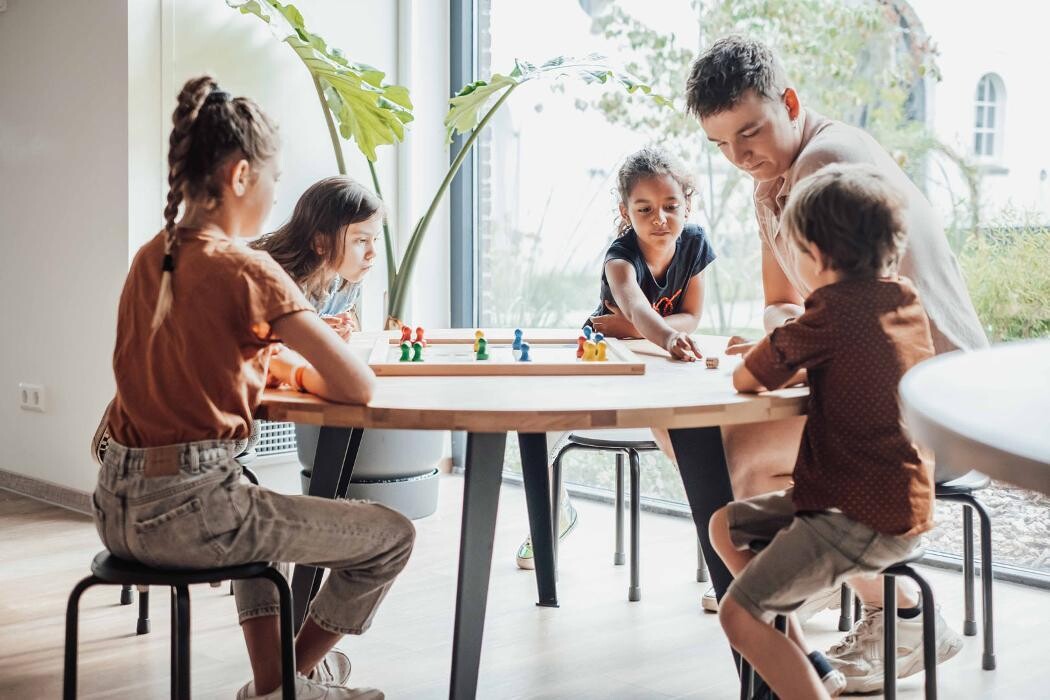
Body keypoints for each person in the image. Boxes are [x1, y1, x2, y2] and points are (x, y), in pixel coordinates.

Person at [91, 75, 414, 699]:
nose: (274, 196)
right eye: (272, 179)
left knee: (255, 504)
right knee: (392, 536)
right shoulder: (249, 269)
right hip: (192, 513)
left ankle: (275, 682)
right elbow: (359, 386)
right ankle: (286, 686)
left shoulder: (150, 256)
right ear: (241, 177)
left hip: (114, 506)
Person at [684, 35, 981, 686]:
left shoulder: (826, 168)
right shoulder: (774, 178)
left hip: (938, 415)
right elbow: (785, 301)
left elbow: (821, 316)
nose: (739, 158)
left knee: (730, 450)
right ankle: (817, 599)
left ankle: (885, 615)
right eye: (721, 146)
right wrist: (788, 329)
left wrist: (786, 338)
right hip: (901, 405)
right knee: (709, 445)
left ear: (790, 102)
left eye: (751, 133)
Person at [711, 162, 942, 698]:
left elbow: (750, 377)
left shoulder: (831, 312)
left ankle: (791, 670)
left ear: (815, 255)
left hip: (856, 515)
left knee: (736, 617)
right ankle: (805, 663)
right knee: (725, 525)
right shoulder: (903, 300)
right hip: (891, 500)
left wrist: (768, 344)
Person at [515, 146, 716, 569]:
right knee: (542, 422)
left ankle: (719, 538)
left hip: (656, 353)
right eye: (644, 209)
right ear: (626, 212)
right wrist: (657, 332)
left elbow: (692, 317)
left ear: (687, 205)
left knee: (683, 433)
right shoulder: (620, 258)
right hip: (608, 355)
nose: (659, 219)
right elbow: (639, 310)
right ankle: (555, 513)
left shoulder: (695, 244)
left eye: (670, 206)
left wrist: (637, 328)